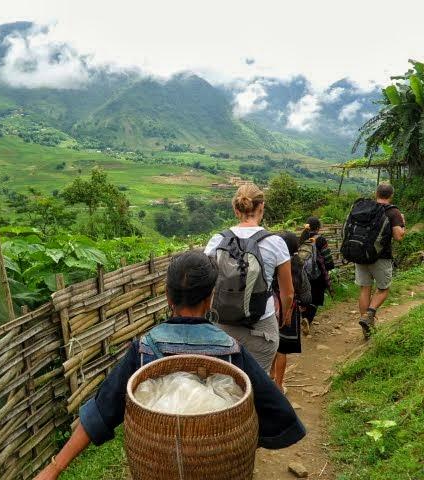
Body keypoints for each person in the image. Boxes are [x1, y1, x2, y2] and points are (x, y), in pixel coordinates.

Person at [33, 251, 306, 480]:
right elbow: (278, 410)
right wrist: (240, 434)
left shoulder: (144, 349)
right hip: (214, 467)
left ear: (167, 296)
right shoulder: (231, 351)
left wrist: (55, 468)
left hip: (157, 467)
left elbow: (102, 410)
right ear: (210, 297)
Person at [204, 183, 294, 372]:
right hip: (261, 326)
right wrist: (285, 316)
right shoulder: (275, 243)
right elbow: (288, 293)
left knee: (224, 381)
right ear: (261, 207)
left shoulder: (216, 241)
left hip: (222, 324)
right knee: (257, 384)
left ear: (236, 210)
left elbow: (208, 286)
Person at [352, 183, 406, 338]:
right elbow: (398, 236)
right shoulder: (393, 211)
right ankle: (369, 314)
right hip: (381, 257)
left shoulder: (364, 208)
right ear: (391, 195)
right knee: (383, 289)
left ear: (376, 193)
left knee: (365, 289)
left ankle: (366, 330)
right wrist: (404, 224)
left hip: (360, 255)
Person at [270, 231, 312, 390]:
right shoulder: (297, 264)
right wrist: (302, 304)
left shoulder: (270, 262)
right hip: (290, 310)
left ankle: (270, 374)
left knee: (271, 342)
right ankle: (279, 385)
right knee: (282, 349)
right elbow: (306, 292)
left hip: (270, 308)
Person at [298, 217, 335, 335]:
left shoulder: (301, 239)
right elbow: (327, 257)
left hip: (303, 274)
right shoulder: (320, 240)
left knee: (305, 297)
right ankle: (308, 320)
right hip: (318, 275)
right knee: (317, 298)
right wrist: (329, 268)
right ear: (318, 228)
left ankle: (304, 317)